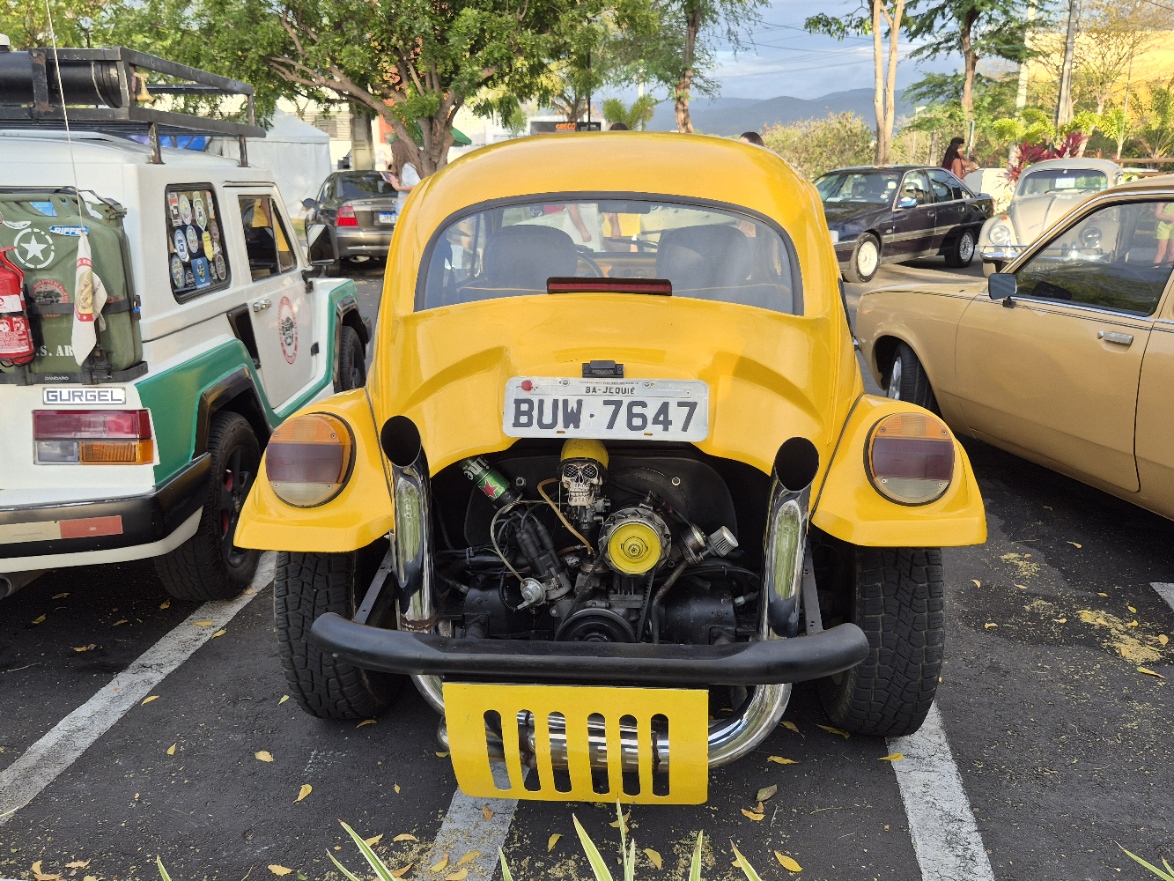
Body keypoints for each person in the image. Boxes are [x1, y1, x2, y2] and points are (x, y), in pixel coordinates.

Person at [385, 138, 421, 216]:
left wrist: (398, 188)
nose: (392, 155)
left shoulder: (407, 167)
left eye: (393, 153)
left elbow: (417, 186)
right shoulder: (406, 167)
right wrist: (393, 181)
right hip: (404, 207)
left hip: (407, 208)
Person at [1155, 201, 1174, 266]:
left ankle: (1168, 271)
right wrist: (1169, 218)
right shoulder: (1165, 197)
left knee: (1172, 251)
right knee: (1161, 250)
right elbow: (1157, 214)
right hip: (1163, 226)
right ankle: (1154, 270)